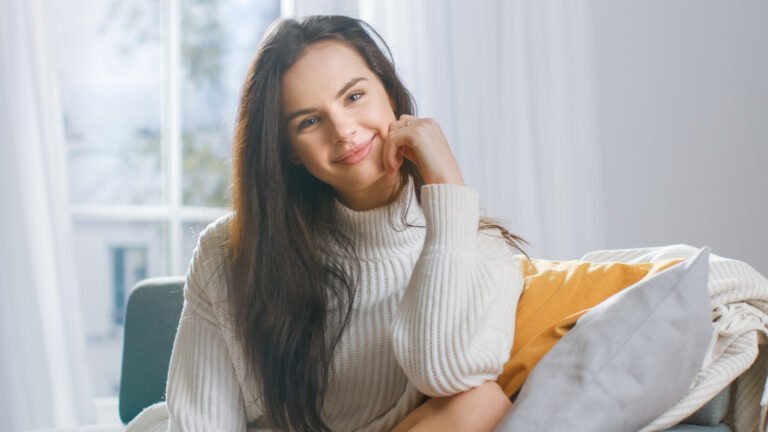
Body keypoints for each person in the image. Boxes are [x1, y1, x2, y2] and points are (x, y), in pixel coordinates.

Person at [126, 14, 529, 432]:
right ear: (289, 150)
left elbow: (444, 373)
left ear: (389, 94)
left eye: (354, 96)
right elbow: (199, 424)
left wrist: (446, 186)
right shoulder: (229, 250)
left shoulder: (478, 249)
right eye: (309, 121)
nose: (343, 130)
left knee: (479, 403)